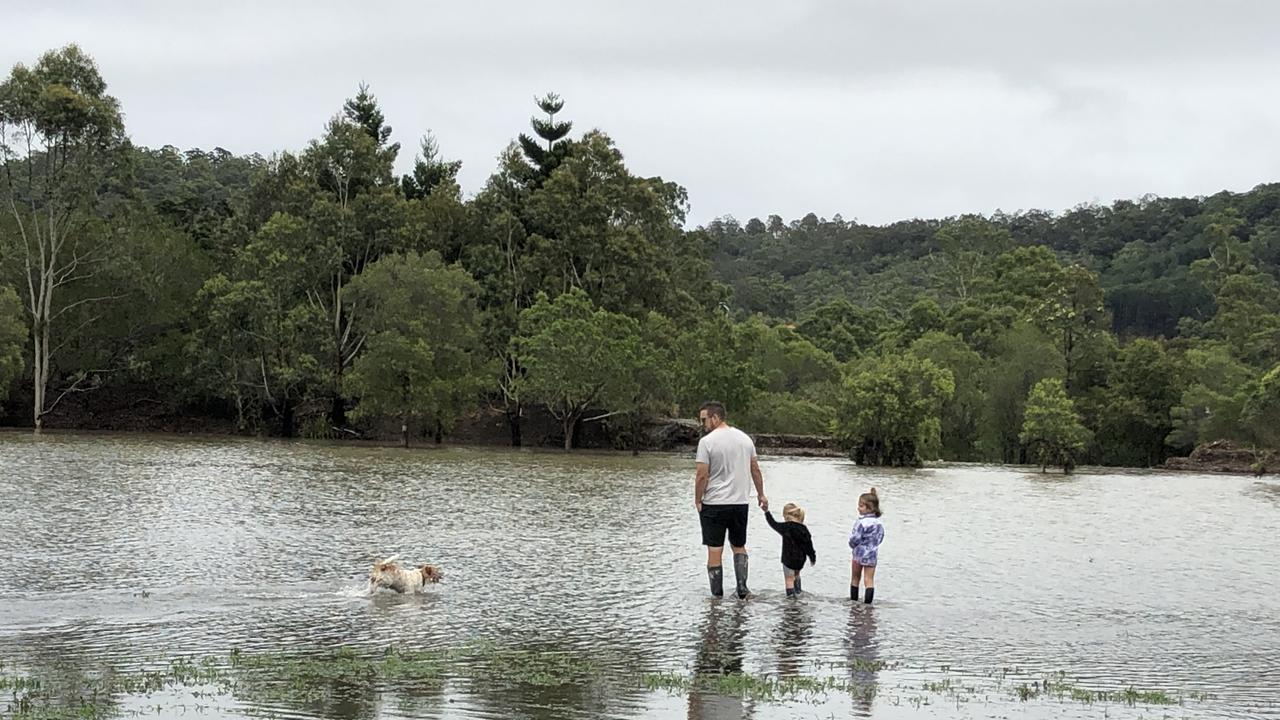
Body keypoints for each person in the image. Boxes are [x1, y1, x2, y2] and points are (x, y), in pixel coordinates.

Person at [694, 400, 767, 598]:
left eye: (704, 420)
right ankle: (742, 589)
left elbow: (702, 475)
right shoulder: (745, 439)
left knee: (715, 550)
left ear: (715, 418)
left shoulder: (707, 442)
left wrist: (698, 499)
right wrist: (761, 494)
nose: (702, 425)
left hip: (714, 503)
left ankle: (716, 597)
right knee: (739, 545)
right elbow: (755, 470)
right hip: (740, 503)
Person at [764, 502, 816, 597]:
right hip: (800, 560)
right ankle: (798, 592)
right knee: (796, 575)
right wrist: (812, 557)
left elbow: (773, 523)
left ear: (786, 516)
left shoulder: (786, 527)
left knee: (789, 579)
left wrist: (766, 512)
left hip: (788, 558)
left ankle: (791, 600)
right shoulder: (804, 529)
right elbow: (809, 545)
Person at [848, 488, 884, 603]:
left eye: (861, 506)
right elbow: (880, 537)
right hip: (872, 554)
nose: (858, 508)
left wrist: (852, 545)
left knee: (855, 578)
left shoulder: (861, 522)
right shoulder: (878, 523)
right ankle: (868, 604)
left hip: (859, 554)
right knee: (869, 580)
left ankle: (854, 602)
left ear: (869, 508)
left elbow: (855, 538)